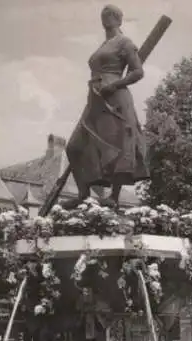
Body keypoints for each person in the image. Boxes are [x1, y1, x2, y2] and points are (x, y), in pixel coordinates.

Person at [63, 4, 149, 209]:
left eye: (111, 15)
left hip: (115, 98)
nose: (106, 17)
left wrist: (114, 85)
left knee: (120, 145)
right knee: (74, 146)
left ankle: (114, 197)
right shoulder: (103, 45)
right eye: (104, 14)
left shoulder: (124, 42)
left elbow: (138, 72)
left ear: (119, 20)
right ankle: (83, 194)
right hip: (95, 100)